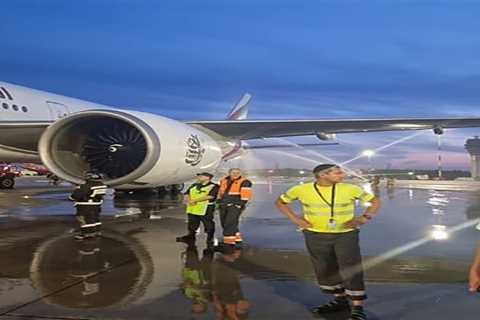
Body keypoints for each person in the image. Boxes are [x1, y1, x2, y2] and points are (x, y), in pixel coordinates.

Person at [275, 164, 381, 320]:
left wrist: (364, 218)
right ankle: (340, 300)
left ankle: (357, 308)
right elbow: (280, 202)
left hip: (345, 235)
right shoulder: (301, 189)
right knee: (324, 268)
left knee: (350, 267)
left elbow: (375, 201)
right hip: (315, 235)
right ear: (322, 175)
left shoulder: (350, 189)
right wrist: (295, 219)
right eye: (337, 173)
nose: (342, 175)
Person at [177, 172, 219, 246]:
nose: (198, 177)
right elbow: (187, 193)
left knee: (208, 224)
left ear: (207, 178)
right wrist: (189, 200)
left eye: (201, 176)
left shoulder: (214, 186)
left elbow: (210, 196)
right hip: (192, 208)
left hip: (205, 208)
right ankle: (190, 237)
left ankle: (210, 239)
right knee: (192, 224)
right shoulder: (194, 185)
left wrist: (195, 200)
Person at [217, 168, 253, 250]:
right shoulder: (224, 180)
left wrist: (239, 205)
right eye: (233, 172)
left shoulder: (245, 182)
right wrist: (218, 201)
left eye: (238, 173)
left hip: (235, 205)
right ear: (229, 173)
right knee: (225, 223)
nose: (235, 174)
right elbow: (221, 191)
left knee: (229, 223)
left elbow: (246, 195)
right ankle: (237, 240)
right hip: (224, 204)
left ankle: (228, 245)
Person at [69, 172, 108, 241]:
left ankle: (87, 234)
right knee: (95, 219)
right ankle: (97, 231)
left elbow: (77, 195)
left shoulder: (86, 186)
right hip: (97, 205)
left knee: (85, 220)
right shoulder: (102, 185)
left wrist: (71, 197)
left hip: (85, 205)